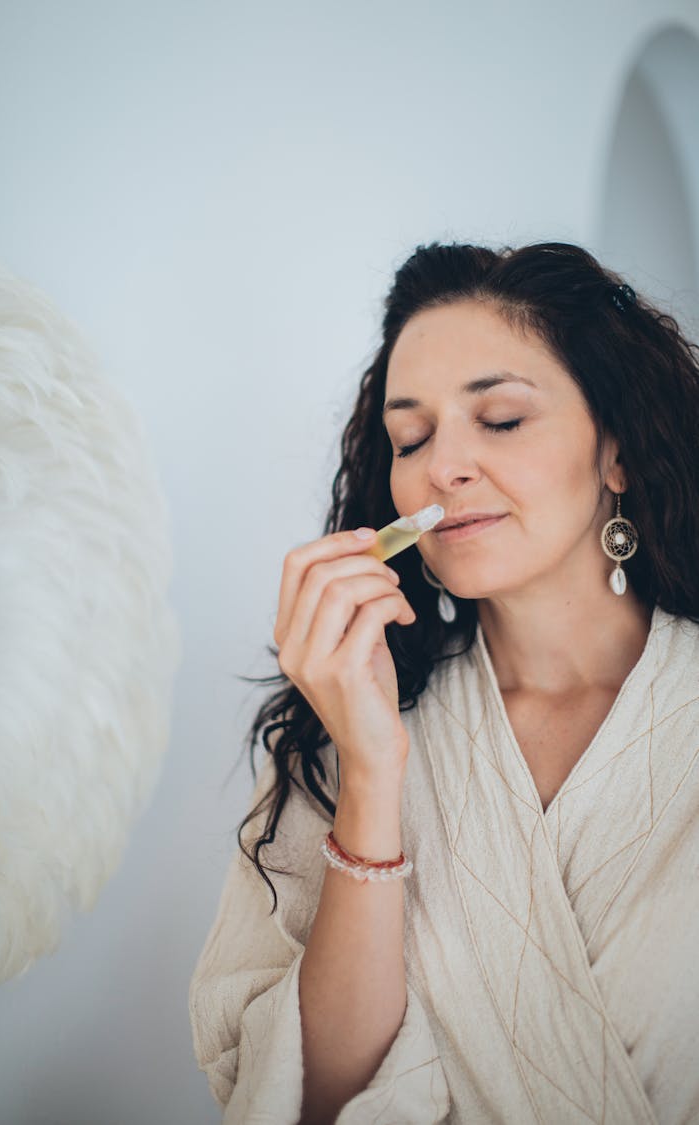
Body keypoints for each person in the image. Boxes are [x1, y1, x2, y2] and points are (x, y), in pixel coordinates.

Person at [189, 242, 699, 1125]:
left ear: (614, 450)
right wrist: (373, 768)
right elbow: (308, 1100)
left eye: (499, 419)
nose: (441, 467)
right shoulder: (341, 739)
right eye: (411, 437)